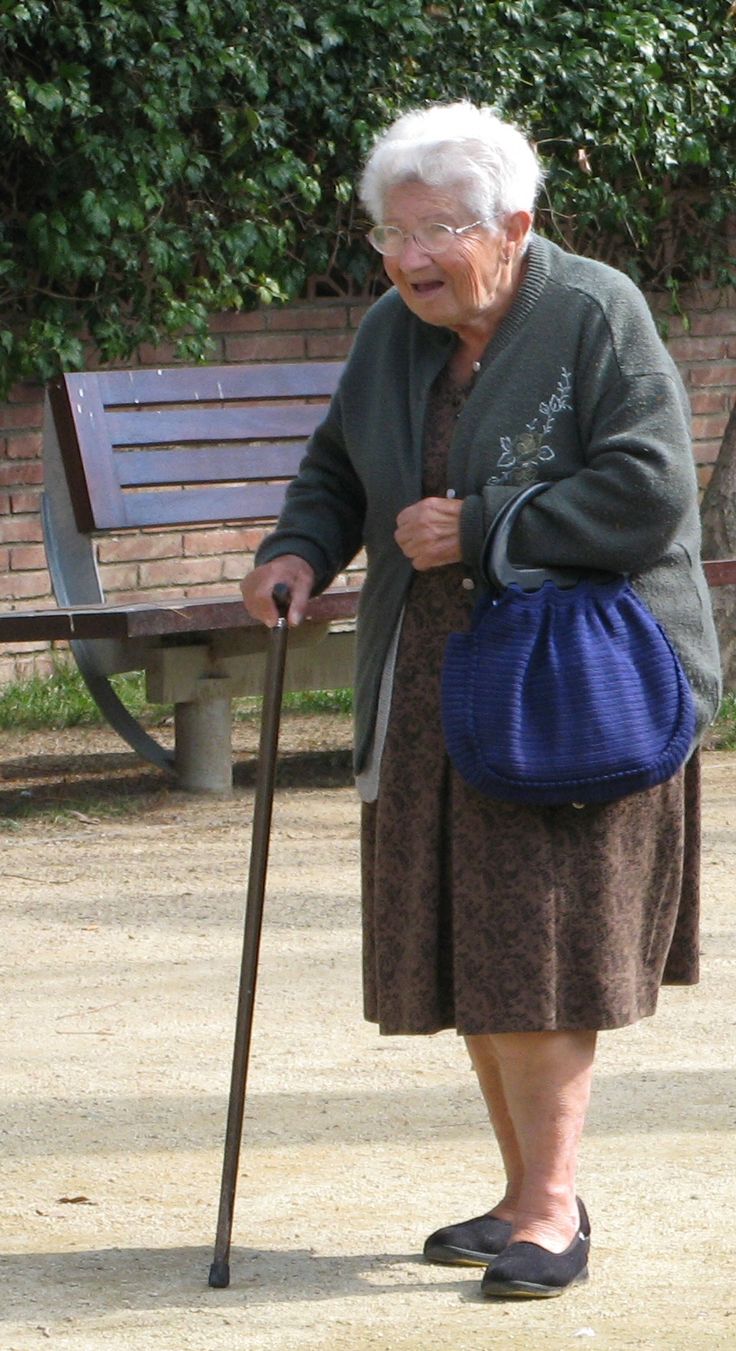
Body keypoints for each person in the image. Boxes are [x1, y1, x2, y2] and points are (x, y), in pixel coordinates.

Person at [241, 101, 721, 1299]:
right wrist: (297, 550)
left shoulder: (592, 310)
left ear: (515, 224)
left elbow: (651, 491)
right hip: (434, 685)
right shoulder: (391, 337)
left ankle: (554, 1215)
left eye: (437, 231)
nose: (409, 258)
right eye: (389, 235)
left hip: (575, 689)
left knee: (545, 945)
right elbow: (337, 469)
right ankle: (522, 1196)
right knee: (476, 938)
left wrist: (489, 528)